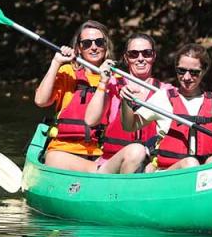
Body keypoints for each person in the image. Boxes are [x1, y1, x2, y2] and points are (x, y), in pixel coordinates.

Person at [34, 20, 142, 173]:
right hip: (63, 151)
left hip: (99, 154)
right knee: (54, 158)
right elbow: (41, 101)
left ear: (106, 46)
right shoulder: (67, 72)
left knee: (135, 152)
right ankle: (100, 173)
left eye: (99, 42)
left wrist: (106, 80)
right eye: (86, 43)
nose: (93, 47)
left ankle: (102, 173)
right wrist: (56, 62)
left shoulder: (116, 79)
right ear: (79, 48)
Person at [121, 43, 212, 170]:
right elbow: (130, 126)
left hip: (204, 174)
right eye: (181, 71)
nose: (187, 77)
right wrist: (126, 102)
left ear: (204, 71)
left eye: (194, 72)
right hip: (170, 171)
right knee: (190, 162)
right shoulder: (162, 97)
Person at [85, 33, 169, 172]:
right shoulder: (112, 84)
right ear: (126, 58)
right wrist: (103, 81)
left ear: (153, 56)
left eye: (146, 53)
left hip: (150, 164)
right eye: (134, 54)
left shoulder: (165, 91)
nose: (140, 58)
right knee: (136, 152)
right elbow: (90, 120)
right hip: (112, 162)